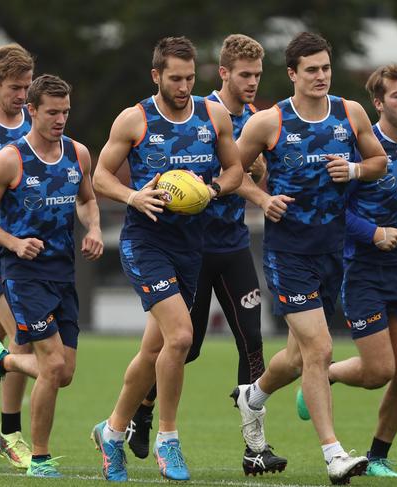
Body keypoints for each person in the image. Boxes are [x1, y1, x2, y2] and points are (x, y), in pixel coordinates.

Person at [127, 33, 286, 476]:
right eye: (246, 75)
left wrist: (254, 178)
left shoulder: (256, 120)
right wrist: (254, 195)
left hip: (233, 245)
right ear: (224, 74)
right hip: (190, 247)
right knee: (185, 347)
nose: (253, 83)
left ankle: (255, 446)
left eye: (258, 75)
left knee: (252, 340)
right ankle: (142, 409)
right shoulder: (200, 113)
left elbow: (249, 170)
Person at [232, 32, 387, 485]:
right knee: (320, 349)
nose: (321, 76)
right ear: (293, 74)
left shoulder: (349, 113)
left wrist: (356, 168)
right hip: (288, 253)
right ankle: (333, 453)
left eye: (326, 68)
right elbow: (232, 171)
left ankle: (253, 396)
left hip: (332, 251)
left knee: (299, 357)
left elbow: (379, 162)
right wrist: (262, 198)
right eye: (311, 70)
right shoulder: (269, 122)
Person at [90, 36, 242, 482]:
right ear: (156, 75)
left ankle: (112, 431)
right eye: (174, 78)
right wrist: (133, 195)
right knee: (180, 337)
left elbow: (234, 169)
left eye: (190, 78)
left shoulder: (213, 116)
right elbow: (99, 176)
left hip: (190, 247)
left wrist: (212, 190)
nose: (183, 86)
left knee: (154, 348)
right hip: (145, 243)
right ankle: (168, 440)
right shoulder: (134, 119)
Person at [295, 64, 397, 477]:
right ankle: (323, 376)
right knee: (379, 371)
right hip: (360, 268)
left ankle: (378, 455)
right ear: (378, 103)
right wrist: (373, 233)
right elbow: (334, 210)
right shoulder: (363, 149)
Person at [0, 74, 103, 478]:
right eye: (52, 112)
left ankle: (3, 360)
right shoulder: (9, 160)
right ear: (31, 110)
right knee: (51, 365)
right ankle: (39, 457)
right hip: (22, 275)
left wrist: (95, 230)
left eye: (65, 112)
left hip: (63, 274)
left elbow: (87, 200)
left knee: (64, 373)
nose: (60, 119)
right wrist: (14, 243)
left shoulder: (78, 154)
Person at [0, 43, 34, 470]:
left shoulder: (38, 125)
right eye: (14, 87)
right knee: (21, 334)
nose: (22, 95)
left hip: (24, 254)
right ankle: (10, 433)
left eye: (27, 86)